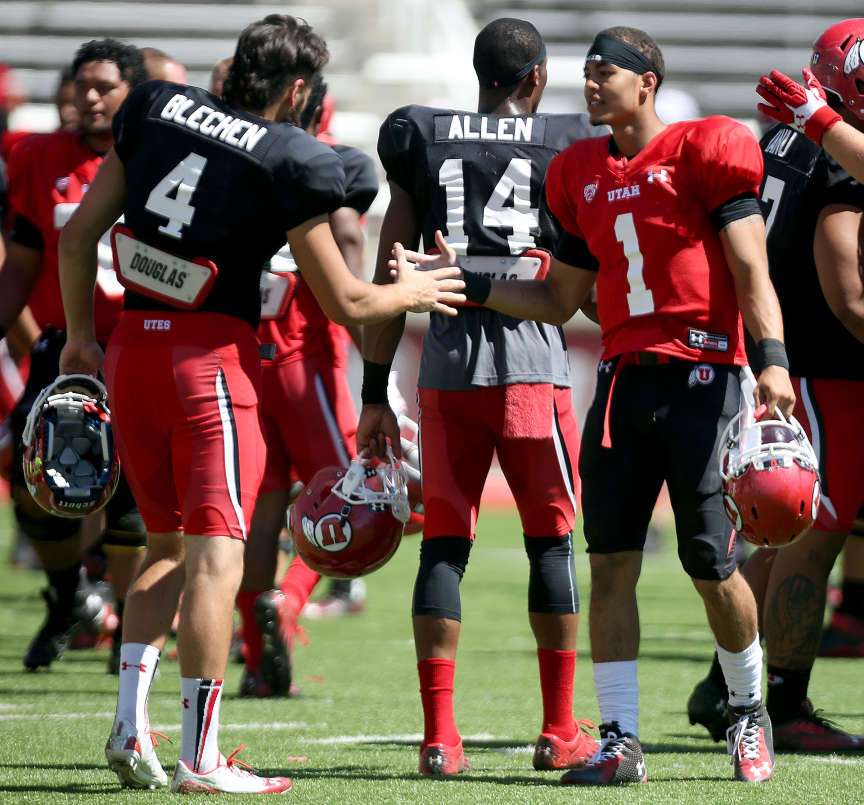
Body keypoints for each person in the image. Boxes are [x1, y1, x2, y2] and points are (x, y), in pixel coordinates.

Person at [57, 14, 462, 794]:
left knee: (166, 549)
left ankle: (127, 724)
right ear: (301, 88)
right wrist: (411, 289)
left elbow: (78, 239)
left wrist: (80, 339)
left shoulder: (153, 105)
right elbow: (345, 302)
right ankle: (201, 757)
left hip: (129, 349)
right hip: (209, 360)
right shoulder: (291, 155)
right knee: (218, 555)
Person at [403, 25, 796, 785]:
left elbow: (751, 268)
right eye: (582, 72)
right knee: (610, 563)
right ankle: (620, 737)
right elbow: (558, 298)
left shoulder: (706, 148)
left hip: (703, 376)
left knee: (710, 562)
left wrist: (771, 359)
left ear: (645, 81)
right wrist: (469, 285)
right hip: (622, 383)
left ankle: (749, 709)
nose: (586, 84)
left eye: (602, 72)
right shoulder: (578, 169)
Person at [358, 17, 600, 777]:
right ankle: (559, 727)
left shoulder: (421, 137)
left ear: (478, 73)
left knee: (444, 544)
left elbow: (391, 274)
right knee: (551, 541)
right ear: (535, 79)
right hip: (534, 359)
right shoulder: (568, 143)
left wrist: (373, 391)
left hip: (449, 362)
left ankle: (440, 737)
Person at [688, 19, 864, 753]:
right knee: (814, 532)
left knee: (790, 528)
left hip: (788, 354)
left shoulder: (783, 140)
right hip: (830, 361)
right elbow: (848, 288)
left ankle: (724, 680)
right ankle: (782, 698)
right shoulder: (834, 155)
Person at [0, 39, 149, 675]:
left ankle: (126, 631)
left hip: (141, 343)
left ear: (132, 94)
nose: (90, 97)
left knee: (134, 496)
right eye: (82, 85)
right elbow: (23, 262)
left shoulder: (158, 155)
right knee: (35, 483)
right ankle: (64, 600)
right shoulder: (37, 156)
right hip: (65, 352)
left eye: (105, 87)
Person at [236, 72, 379, 698]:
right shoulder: (321, 162)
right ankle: (288, 605)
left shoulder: (239, 155)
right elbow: (347, 238)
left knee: (261, 514)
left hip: (245, 360)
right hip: (305, 360)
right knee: (349, 502)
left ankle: (253, 656)